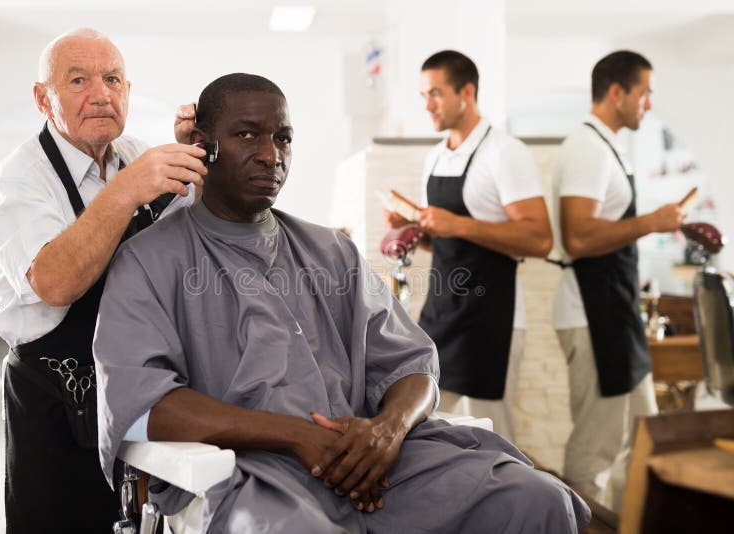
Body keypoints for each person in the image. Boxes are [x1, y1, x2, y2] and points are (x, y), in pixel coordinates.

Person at [93, 73, 589, 534]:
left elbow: (412, 366)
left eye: (283, 138)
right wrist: (298, 437)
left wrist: (386, 432)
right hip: (254, 471)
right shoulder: (150, 260)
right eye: (248, 135)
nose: (271, 155)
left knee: (534, 498)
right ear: (203, 147)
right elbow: (146, 403)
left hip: (378, 461)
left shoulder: (332, 251)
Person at [0, 28, 206, 533]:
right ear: (44, 98)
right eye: (78, 79)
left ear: (128, 90)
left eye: (112, 79)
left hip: (130, 389)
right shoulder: (20, 177)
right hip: (53, 399)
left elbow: (191, 235)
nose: (101, 93)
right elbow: (55, 282)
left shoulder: (136, 154)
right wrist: (128, 190)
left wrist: (191, 156)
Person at [387, 50, 552, 442]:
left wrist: (456, 222)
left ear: (467, 92)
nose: (427, 105)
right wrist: (413, 228)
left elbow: (539, 238)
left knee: (495, 437)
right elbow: (450, 241)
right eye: (423, 95)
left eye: (436, 94)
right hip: (443, 313)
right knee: (424, 426)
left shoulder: (505, 152)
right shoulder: (435, 157)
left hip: (493, 317)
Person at [552, 50, 684, 511]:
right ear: (616, 92)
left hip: (616, 312)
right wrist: (654, 221)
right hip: (592, 317)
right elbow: (579, 236)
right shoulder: (587, 147)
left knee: (646, 434)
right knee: (597, 446)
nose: (648, 103)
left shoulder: (607, 144)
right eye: (644, 92)